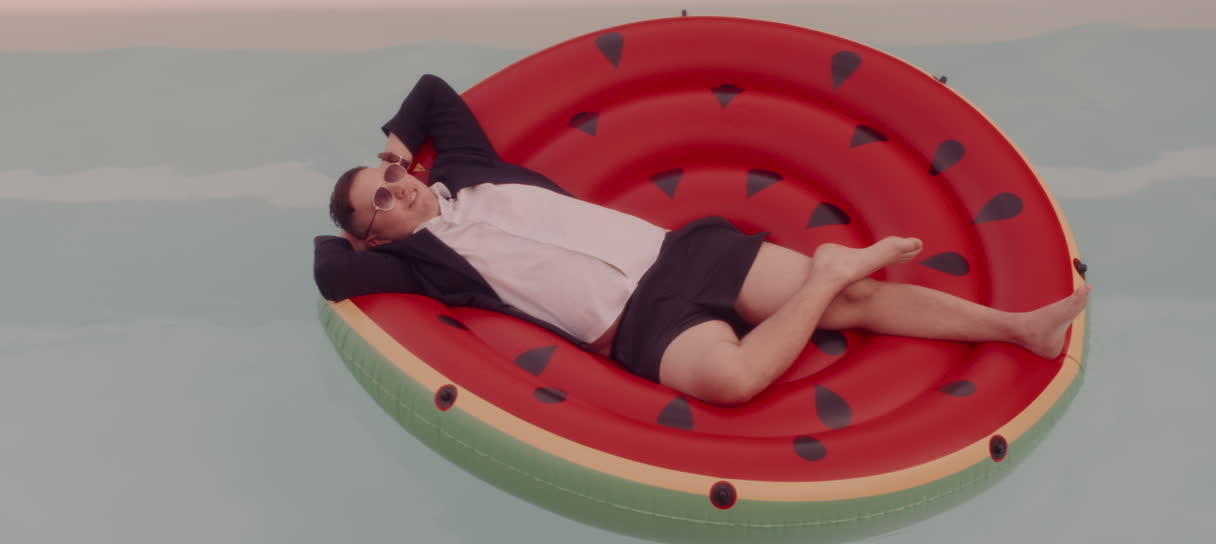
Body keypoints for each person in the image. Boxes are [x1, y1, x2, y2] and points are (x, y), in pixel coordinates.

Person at [314, 74, 1089, 406]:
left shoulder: (472, 170)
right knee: (732, 380)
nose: (399, 186)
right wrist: (368, 236)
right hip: (635, 325)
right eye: (380, 198)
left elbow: (432, 92)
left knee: (861, 300)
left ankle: (1019, 328)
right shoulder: (422, 264)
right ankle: (823, 275)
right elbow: (329, 271)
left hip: (678, 251)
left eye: (392, 176)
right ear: (374, 231)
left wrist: (395, 141)